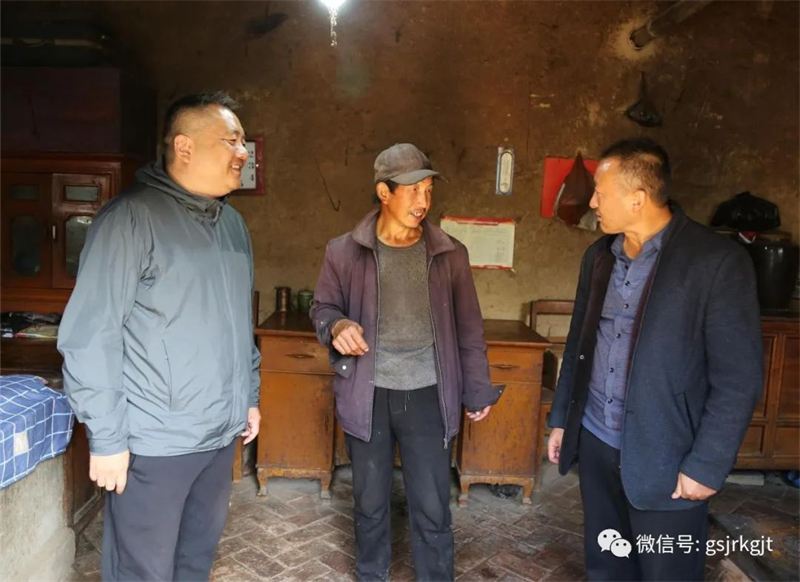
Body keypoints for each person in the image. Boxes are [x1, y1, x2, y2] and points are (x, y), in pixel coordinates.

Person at [57, 91, 261, 582]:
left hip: (218, 436)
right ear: (184, 146)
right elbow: (91, 335)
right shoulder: (130, 219)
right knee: (143, 571)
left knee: (194, 563)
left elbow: (238, 324)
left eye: (243, 142)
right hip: (154, 442)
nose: (243, 153)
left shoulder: (232, 225)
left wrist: (248, 398)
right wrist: (107, 438)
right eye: (231, 141)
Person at [547, 137, 763, 581]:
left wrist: (707, 464)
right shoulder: (599, 257)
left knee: (667, 572)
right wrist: (563, 419)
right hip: (597, 441)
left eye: (600, 194)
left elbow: (738, 378)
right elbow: (580, 344)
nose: (593, 203)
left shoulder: (715, 262)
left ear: (637, 198)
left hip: (669, 455)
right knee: (607, 565)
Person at [310, 143, 501, 581]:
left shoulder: (449, 254)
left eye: (429, 190)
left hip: (428, 394)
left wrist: (477, 389)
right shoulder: (343, 252)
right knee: (369, 502)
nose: (423, 200)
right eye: (413, 190)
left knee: (432, 505)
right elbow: (323, 307)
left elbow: (469, 327)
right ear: (384, 192)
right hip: (368, 393)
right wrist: (337, 326)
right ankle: (372, 575)